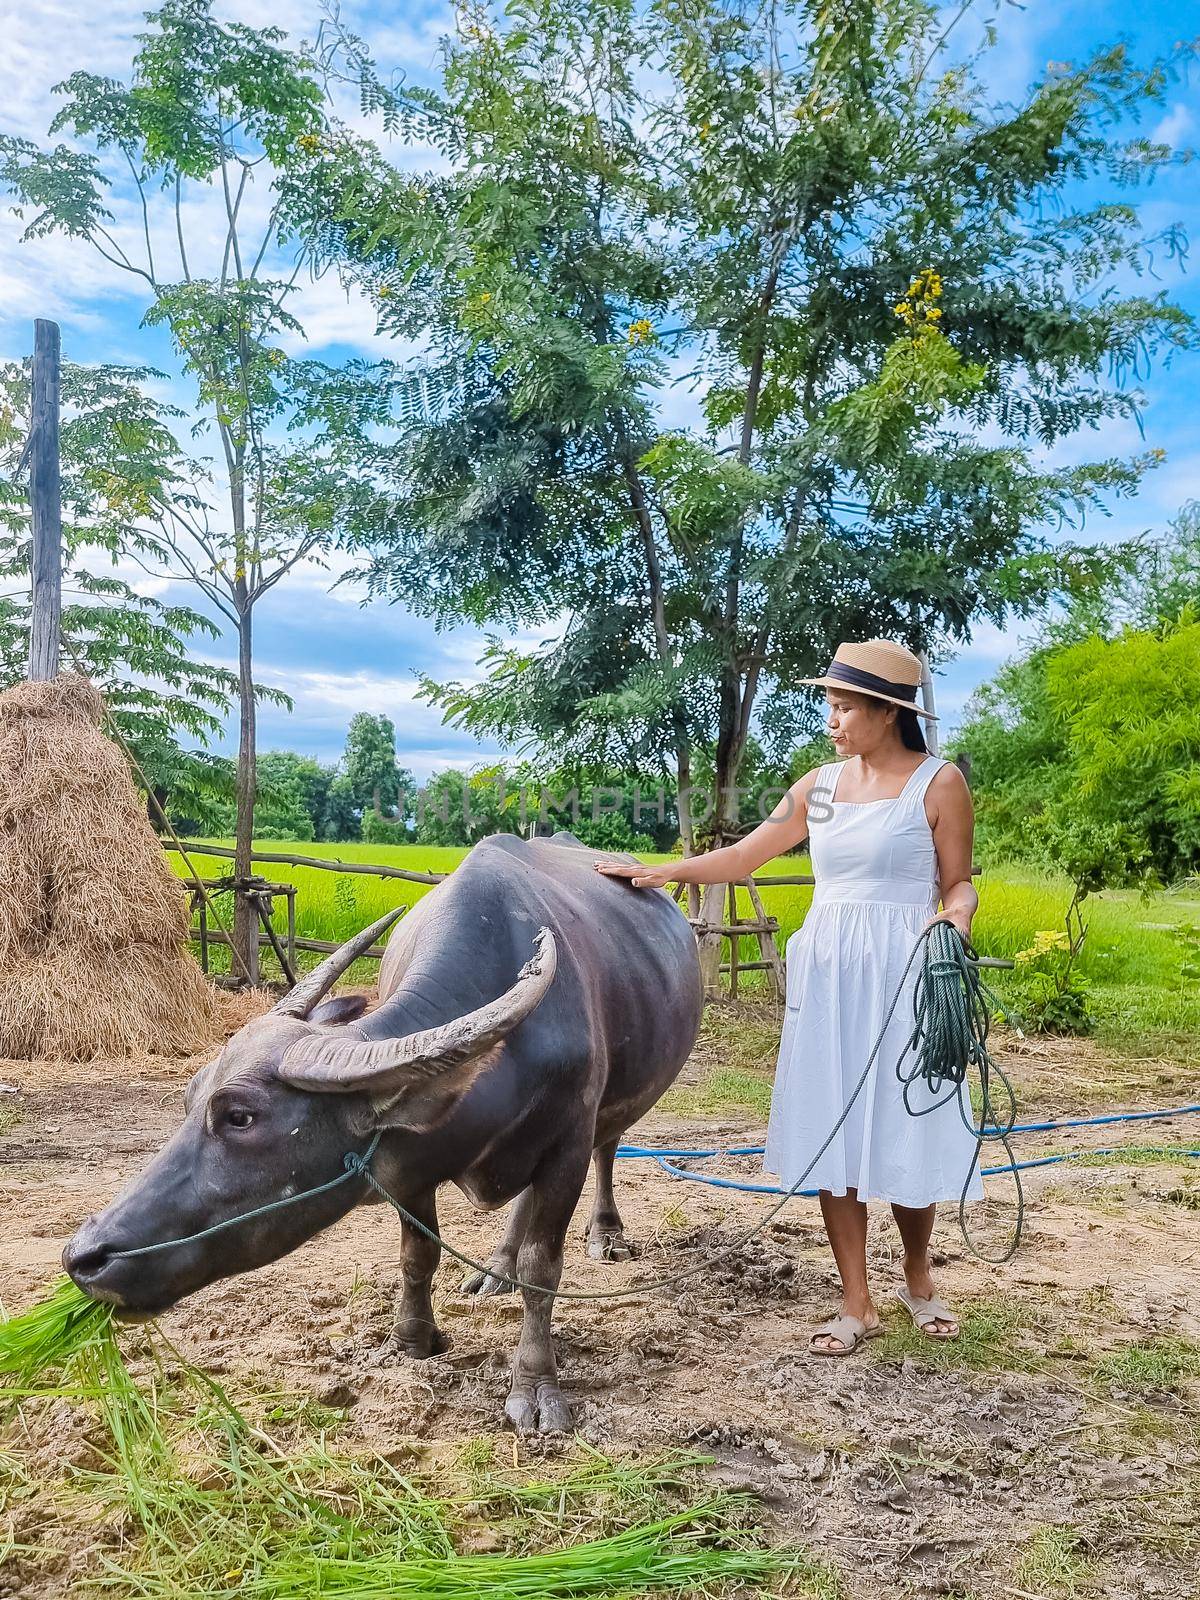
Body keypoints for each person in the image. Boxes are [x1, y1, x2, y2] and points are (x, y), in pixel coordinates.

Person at [595, 638, 981, 1356]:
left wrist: (956, 916)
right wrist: (662, 871)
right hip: (832, 969)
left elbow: (958, 881)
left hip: (905, 965)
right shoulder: (818, 788)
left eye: (843, 708)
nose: (831, 721)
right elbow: (745, 856)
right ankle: (856, 1302)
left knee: (909, 1118)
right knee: (835, 1125)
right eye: (828, 706)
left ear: (886, 712)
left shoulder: (938, 784)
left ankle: (918, 1278)